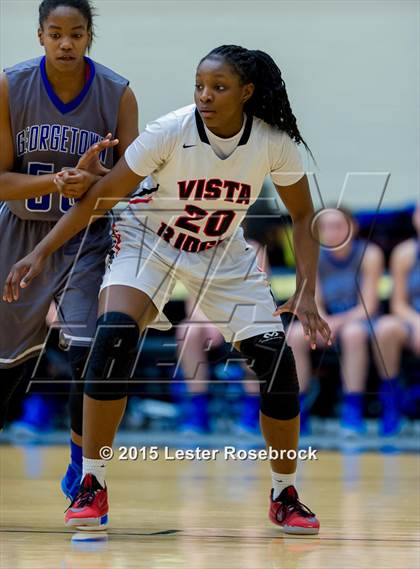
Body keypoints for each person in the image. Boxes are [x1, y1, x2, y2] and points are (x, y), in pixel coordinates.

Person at [5, 45, 331, 534]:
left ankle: (284, 492)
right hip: (148, 238)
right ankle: (92, 484)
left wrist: (307, 290)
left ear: (246, 93)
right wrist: (41, 251)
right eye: (199, 85)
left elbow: (304, 216)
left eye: (218, 88)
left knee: (277, 364)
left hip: (220, 250)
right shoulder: (169, 131)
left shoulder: (272, 142)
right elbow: (100, 198)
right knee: (113, 335)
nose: (204, 96)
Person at [0, 0, 138, 503]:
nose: (65, 43)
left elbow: (130, 182)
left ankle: (84, 469)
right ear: (39, 35)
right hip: (21, 234)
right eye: (55, 33)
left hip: (87, 240)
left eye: (76, 34)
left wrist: (94, 179)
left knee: (89, 355)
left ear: (88, 38)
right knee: (5, 362)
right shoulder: (11, 86)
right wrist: (55, 180)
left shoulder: (117, 93)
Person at [287, 208, 384, 436]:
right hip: (327, 321)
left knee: (353, 334)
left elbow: (369, 306)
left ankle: (352, 411)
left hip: (359, 320)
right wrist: (321, 320)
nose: (332, 232)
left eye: (338, 226)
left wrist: (335, 322)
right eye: (325, 227)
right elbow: (314, 300)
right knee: (294, 334)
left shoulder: (370, 254)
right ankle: (299, 409)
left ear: (353, 227)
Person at [175, 236, 268, 435]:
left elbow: (258, 297)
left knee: (252, 328)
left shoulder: (254, 249)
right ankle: (198, 414)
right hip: (210, 326)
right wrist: (211, 322)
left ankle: (251, 415)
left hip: (245, 319)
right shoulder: (197, 250)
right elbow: (193, 305)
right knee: (187, 330)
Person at [373, 204, 420, 435]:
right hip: (413, 322)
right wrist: (417, 322)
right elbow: (398, 303)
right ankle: (390, 405)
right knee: (386, 328)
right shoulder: (404, 253)